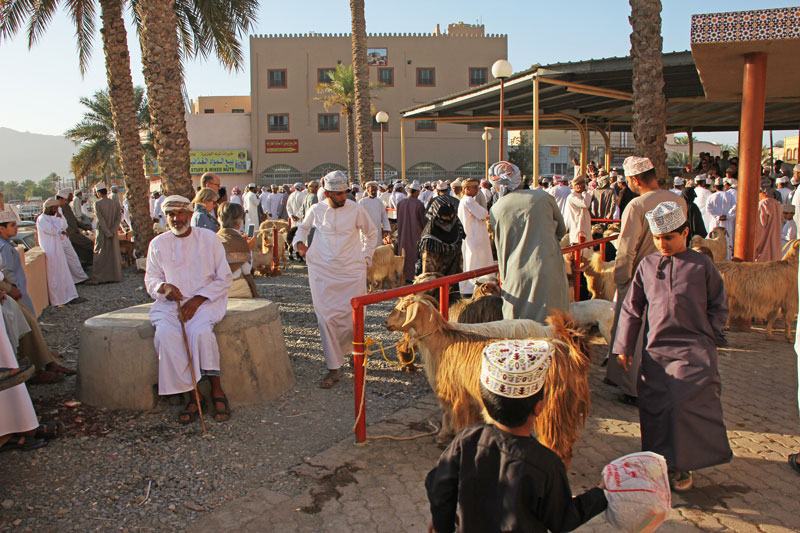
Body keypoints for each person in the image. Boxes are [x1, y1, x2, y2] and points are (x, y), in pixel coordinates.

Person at [426, 338, 607, 532]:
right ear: (539, 407)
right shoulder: (546, 463)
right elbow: (562, 519)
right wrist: (600, 494)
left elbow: (439, 488)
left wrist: (441, 524)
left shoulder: (466, 440)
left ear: (486, 401)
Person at [615, 201, 731, 491]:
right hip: (655, 353)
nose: (662, 244)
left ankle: (682, 465)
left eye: (669, 237)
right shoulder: (647, 264)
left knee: (683, 406)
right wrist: (624, 346)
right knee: (655, 409)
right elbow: (632, 308)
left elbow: (719, 305)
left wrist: (710, 336)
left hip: (693, 350)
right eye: (657, 238)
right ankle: (658, 463)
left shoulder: (702, 265)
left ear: (685, 233)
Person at [144, 195, 233, 423]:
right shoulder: (158, 243)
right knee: (165, 335)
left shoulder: (209, 239)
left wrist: (198, 299)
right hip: (170, 305)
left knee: (200, 333)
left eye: (180, 213)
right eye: (171, 214)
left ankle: (217, 389)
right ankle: (193, 395)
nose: (175, 218)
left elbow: (224, 277)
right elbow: (151, 278)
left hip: (206, 301)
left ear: (190, 214)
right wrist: (163, 287)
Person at [606, 157, 686, 406]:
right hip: (672, 272)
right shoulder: (677, 200)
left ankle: (633, 388)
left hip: (641, 277)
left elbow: (627, 248)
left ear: (634, 180)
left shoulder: (637, 205)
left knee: (635, 332)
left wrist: (621, 279)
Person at [293, 171, 377, 389]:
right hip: (323, 271)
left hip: (351, 272)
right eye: (338, 194)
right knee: (326, 319)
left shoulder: (356, 209)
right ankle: (333, 369)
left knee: (353, 317)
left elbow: (371, 233)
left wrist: (366, 257)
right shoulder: (316, 209)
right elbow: (302, 228)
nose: (343, 197)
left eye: (344, 193)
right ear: (327, 192)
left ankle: (354, 354)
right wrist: (300, 245)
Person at [0, 211, 75, 383]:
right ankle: (37, 368)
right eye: (11, 226)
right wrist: (9, 290)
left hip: (14, 292)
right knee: (26, 330)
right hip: (9, 296)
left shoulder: (7, 244)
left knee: (31, 327)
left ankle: (48, 363)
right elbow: (5, 273)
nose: (15, 229)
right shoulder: (3, 247)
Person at [489, 161, 568, 323]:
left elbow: (499, 247)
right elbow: (561, 230)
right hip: (548, 271)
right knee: (554, 329)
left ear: (497, 185)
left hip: (515, 276)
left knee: (520, 332)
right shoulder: (544, 198)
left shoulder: (496, 209)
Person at [36, 198, 82, 306]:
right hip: (50, 251)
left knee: (64, 274)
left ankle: (69, 297)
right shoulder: (42, 219)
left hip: (58, 250)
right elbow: (52, 230)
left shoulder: (52, 218)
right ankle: (58, 300)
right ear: (49, 208)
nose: (57, 210)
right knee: (55, 277)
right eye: (55, 208)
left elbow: (59, 230)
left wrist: (61, 232)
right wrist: (58, 220)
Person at [457, 178, 493, 296]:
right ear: (467, 188)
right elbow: (483, 213)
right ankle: (474, 287)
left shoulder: (468, 200)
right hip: (474, 237)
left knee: (473, 260)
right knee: (475, 261)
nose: (477, 190)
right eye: (475, 187)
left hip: (473, 236)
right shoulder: (468, 201)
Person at [419, 196, 465, 284]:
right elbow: (428, 269)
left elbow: (459, 254)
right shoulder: (430, 237)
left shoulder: (456, 226)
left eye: (451, 216)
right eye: (445, 217)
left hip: (454, 278)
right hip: (436, 282)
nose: (449, 219)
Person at [216, 202, 258, 298]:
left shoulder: (212, 238)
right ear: (239, 223)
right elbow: (247, 270)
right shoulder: (240, 242)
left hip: (215, 290)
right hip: (236, 288)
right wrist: (248, 248)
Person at [89, 182, 122, 284]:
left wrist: (107, 232)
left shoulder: (97, 204)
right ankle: (115, 276)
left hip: (103, 233)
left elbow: (101, 220)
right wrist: (113, 230)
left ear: (99, 193)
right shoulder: (115, 203)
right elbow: (118, 218)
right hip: (113, 232)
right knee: (113, 254)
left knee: (100, 254)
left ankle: (99, 277)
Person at [54, 190, 89, 285]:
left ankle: (80, 277)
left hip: (67, 236)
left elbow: (71, 220)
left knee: (73, 258)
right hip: (63, 238)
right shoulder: (55, 209)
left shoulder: (63, 207)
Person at [396, 182, 427, 283]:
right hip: (416, 234)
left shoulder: (400, 203)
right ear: (417, 191)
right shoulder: (419, 204)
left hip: (402, 233)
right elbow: (423, 221)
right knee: (414, 255)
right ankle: (412, 276)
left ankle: (402, 275)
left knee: (403, 253)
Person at [57, 188, 93, 267]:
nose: (72, 196)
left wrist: (85, 227)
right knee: (90, 245)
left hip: (73, 232)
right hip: (71, 233)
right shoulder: (62, 207)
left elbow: (74, 220)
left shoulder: (66, 206)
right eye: (70, 195)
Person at [705, 177, 736, 257]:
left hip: (716, 222)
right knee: (727, 240)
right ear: (723, 186)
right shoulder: (730, 196)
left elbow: (708, 209)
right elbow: (735, 207)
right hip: (726, 222)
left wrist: (717, 217)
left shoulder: (711, 197)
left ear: (715, 186)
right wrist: (727, 216)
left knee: (715, 240)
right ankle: (727, 257)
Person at [755, 179, 784, 263]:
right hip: (776, 253)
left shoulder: (762, 205)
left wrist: (752, 250)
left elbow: (758, 231)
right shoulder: (778, 205)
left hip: (763, 255)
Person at [359, 181, 391, 248]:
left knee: (377, 249)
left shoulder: (379, 202)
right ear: (367, 190)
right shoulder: (362, 202)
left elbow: (384, 216)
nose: (374, 192)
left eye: (375, 190)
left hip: (377, 230)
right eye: (372, 190)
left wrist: (386, 228)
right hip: (366, 230)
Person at [563, 176, 591, 245]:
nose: (581, 186)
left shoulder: (582, 196)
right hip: (577, 227)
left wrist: (585, 193)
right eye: (578, 184)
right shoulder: (572, 197)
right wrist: (585, 193)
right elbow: (585, 204)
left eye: (582, 184)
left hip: (585, 226)